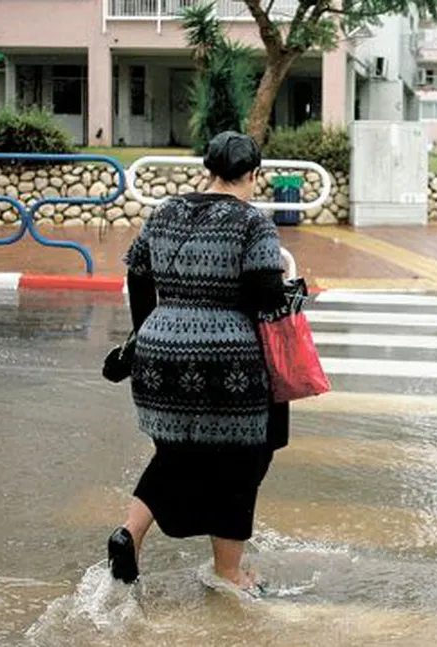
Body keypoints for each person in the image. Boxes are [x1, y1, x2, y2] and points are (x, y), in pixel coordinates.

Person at [107, 131, 290, 592]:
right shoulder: (253, 223)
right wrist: (290, 288)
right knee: (241, 464)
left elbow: (137, 273)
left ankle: (128, 534)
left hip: (158, 355)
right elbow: (263, 295)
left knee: (175, 453)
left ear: (207, 169)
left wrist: (146, 330)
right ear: (253, 175)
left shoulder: (164, 211)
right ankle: (230, 573)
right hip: (228, 363)